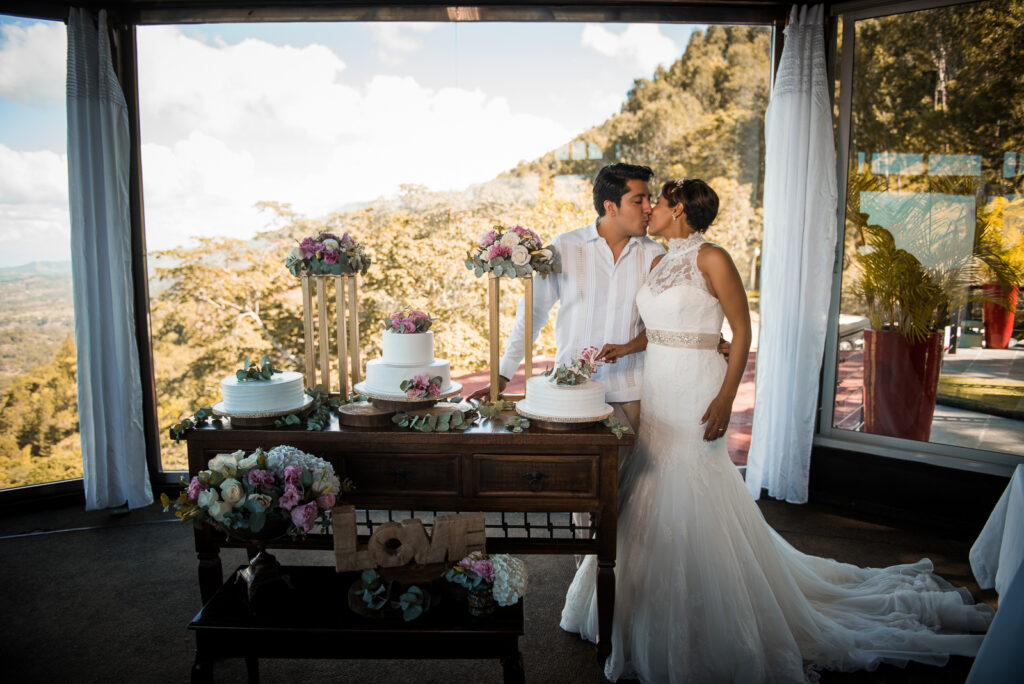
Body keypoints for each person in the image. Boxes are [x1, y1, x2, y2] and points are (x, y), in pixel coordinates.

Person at [560, 178, 993, 683]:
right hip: (659, 384)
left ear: (679, 208)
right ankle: (636, 608)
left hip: (698, 390)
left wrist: (725, 397)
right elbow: (657, 329)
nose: (650, 208)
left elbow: (742, 330)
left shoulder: (714, 258)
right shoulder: (656, 260)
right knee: (651, 480)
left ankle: (707, 617)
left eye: (657, 201)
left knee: (694, 481)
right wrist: (624, 348)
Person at [468, 163, 666, 432]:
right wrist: (503, 374)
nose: (648, 209)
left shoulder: (655, 254)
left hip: (632, 393)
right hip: (569, 393)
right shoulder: (565, 246)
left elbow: (663, 325)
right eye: (638, 200)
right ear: (610, 206)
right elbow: (532, 313)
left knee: (626, 473)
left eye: (649, 200)